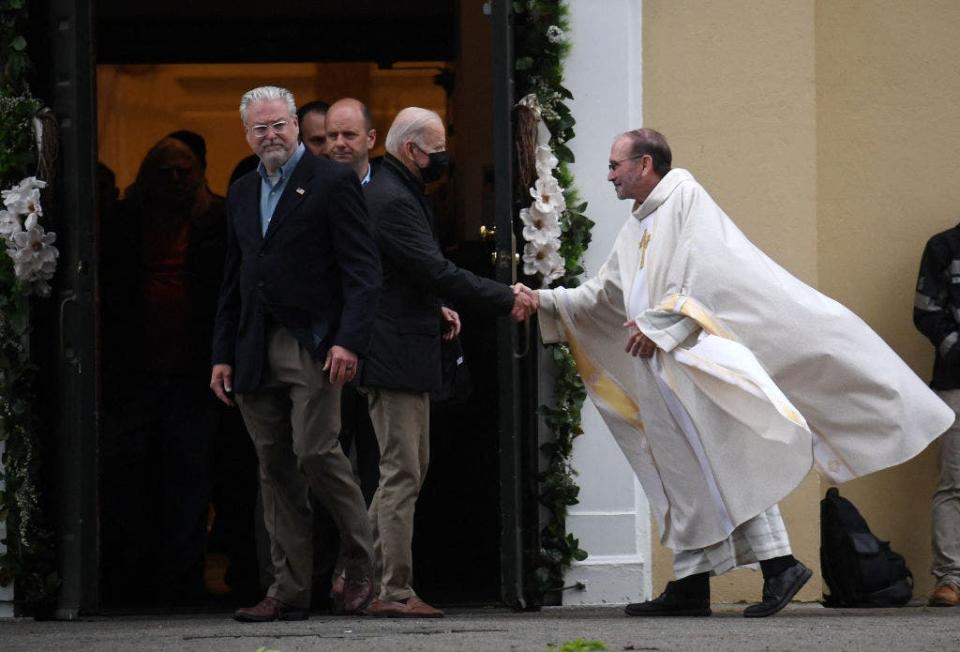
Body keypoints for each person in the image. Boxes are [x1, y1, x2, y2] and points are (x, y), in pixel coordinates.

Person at [513, 128, 952, 618]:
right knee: (682, 473)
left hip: (692, 361)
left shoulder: (685, 198)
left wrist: (661, 326)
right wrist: (543, 300)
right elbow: (605, 294)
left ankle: (780, 566)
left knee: (722, 464)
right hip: (657, 367)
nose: (609, 175)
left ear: (644, 164)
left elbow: (705, 273)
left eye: (616, 165)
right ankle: (691, 583)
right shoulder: (637, 225)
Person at [211, 85, 382, 622]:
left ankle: (362, 558)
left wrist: (348, 339)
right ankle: (287, 592)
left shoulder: (331, 180)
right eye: (259, 128)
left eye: (279, 124)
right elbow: (233, 279)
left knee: (315, 451)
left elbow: (362, 270)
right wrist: (222, 353)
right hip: (252, 346)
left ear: (295, 124)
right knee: (274, 468)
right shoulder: (240, 191)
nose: (271, 135)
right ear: (247, 135)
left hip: (313, 343)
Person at [359, 107, 534, 618]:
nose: (443, 159)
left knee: (406, 469)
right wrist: (504, 296)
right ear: (412, 150)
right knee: (402, 473)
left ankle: (376, 581)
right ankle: (392, 591)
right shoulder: (393, 199)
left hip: (404, 347)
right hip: (394, 353)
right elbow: (431, 267)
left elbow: (404, 273)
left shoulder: (397, 191)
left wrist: (435, 306)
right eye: (437, 150)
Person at [99, 135, 226, 605]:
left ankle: (184, 580)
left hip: (193, 372)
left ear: (199, 173)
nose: (176, 180)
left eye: (184, 170)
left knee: (190, 481)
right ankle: (130, 578)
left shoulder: (217, 220)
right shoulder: (124, 221)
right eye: (166, 171)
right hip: (133, 370)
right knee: (129, 478)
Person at [914, 226, 960, 607]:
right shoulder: (944, 247)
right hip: (956, 382)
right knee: (954, 483)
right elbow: (926, 312)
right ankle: (952, 579)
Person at [325, 98, 378, 185]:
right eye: (333, 136)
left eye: (349, 135)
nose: (339, 143)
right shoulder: (311, 189)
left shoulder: (392, 188)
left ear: (371, 138)